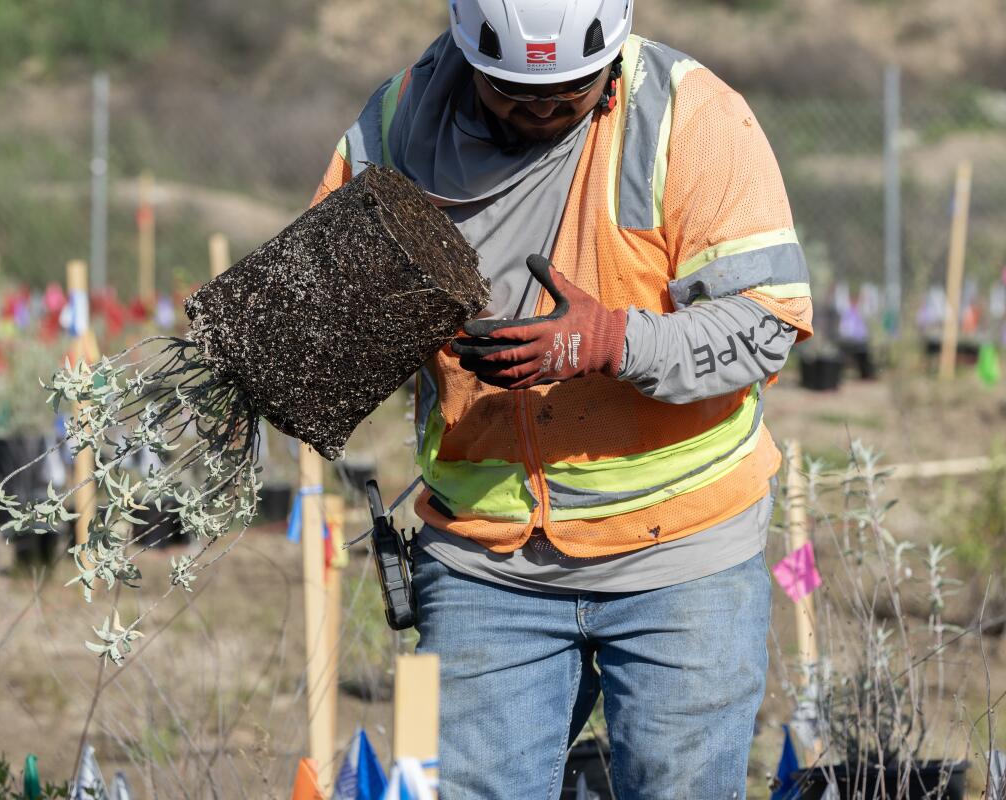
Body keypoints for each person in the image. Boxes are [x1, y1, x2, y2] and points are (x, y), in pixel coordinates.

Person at [311, 1, 813, 797]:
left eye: (570, 90)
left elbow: (770, 324)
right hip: (486, 556)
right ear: (469, 58)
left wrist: (614, 342)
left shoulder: (693, 116)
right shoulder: (398, 126)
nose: (544, 107)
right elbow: (323, 311)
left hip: (681, 551)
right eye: (514, 92)